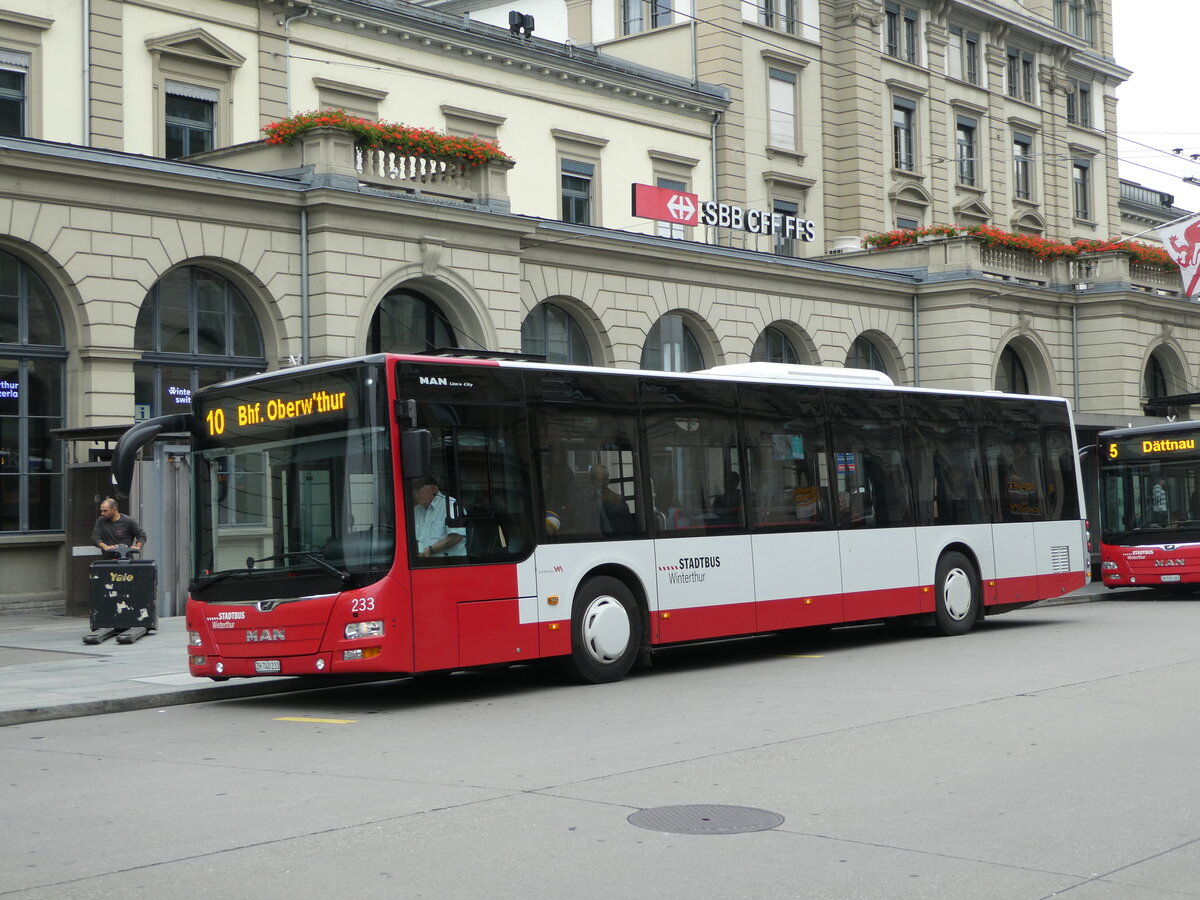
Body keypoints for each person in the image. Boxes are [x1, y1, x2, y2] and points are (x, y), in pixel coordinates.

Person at [411, 476, 466, 558]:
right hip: (419, 563)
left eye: (419, 492)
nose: (416, 496)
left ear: (433, 489)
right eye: (414, 493)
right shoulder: (416, 510)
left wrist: (430, 550)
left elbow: (457, 537)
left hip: (448, 564)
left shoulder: (451, 505)